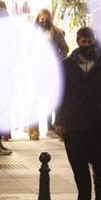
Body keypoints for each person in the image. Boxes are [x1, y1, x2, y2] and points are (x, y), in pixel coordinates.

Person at [55, 27, 101, 200]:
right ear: (78, 42)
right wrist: (58, 120)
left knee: (100, 163)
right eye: (84, 42)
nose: (87, 45)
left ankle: (99, 186)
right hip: (74, 122)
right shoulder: (67, 66)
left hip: (98, 122)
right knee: (78, 163)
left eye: (90, 41)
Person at [33, 8, 68, 139]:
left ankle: (52, 126)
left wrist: (58, 59)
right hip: (36, 70)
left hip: (52, 70)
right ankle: (34, 129)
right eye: (42, 19)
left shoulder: (56, 33)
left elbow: (65, 48)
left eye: (46, 19)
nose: (44, 22)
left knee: (53, 98)